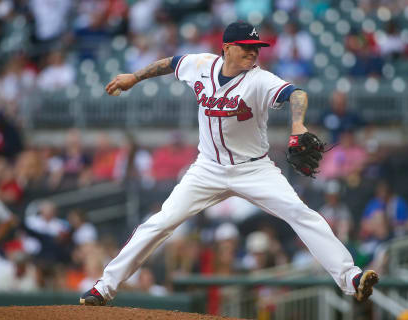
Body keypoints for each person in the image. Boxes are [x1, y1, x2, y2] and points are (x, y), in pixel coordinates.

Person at [80, 21, 378, 306]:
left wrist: (297, 125)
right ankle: (104, 288)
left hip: (253, 168)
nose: (253, 52)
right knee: (160, 222)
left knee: (300, 213)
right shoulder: (201, 65)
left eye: (256, 47)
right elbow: (172, 62)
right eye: (246, 46)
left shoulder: (260, 79)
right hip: (207, 168)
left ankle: (350, 277)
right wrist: (134, 77)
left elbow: (296, 93)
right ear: (226, 48)